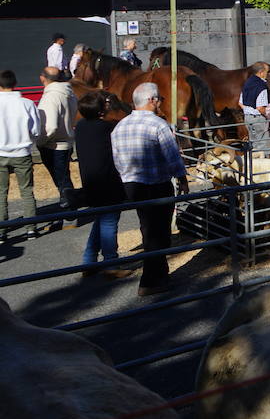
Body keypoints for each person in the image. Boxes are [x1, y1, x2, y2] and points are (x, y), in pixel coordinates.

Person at [111, 82, 188, 296]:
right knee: (159, 231)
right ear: (152, 100)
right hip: (157, 184)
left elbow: (117, 159)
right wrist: (182, 178)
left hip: (132, 184)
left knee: (148, 228)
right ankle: (150, 280)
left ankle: (160, 274)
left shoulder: (120, 126)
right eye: (160, 99)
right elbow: (173, 156)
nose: (160, 103)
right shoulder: (158, 125)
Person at [74, 91, 131, 279]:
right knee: (109, 222)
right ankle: (111, 264)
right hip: (108, 182)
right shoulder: (107, 128)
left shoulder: (81, 127)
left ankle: (89, 261)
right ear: (100, 111)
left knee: (101, 220)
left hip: (90, 182)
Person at [0, 69, 41, 225]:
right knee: (26, 190)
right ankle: (31, 227)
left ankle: (2, 230)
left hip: (1, 152)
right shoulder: (27, 104)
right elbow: (36, 130)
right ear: (15, 84)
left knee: (1, 193)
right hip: (22, 153)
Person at [34, 66, 76, 211]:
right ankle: (70, 210)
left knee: (62, 181)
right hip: (67, 141)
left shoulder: (50, 96)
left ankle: (69, 213)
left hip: (53, 144)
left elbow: (50, 126)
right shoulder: (69, 92)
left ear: (42, 78)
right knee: (65, 177)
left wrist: (40, 142)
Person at [239, 62, 270, 152]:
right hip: (258, 119)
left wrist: (248, 111)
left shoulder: (247, 83)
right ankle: (264, 165)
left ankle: (254, 165)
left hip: (248, 118)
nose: (268, 74)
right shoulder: (261, 86)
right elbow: (260, 108)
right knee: (263, 146)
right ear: (261, 72)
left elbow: (240, 103)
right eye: (267, 72)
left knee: (253, 145)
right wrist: (268, 116)